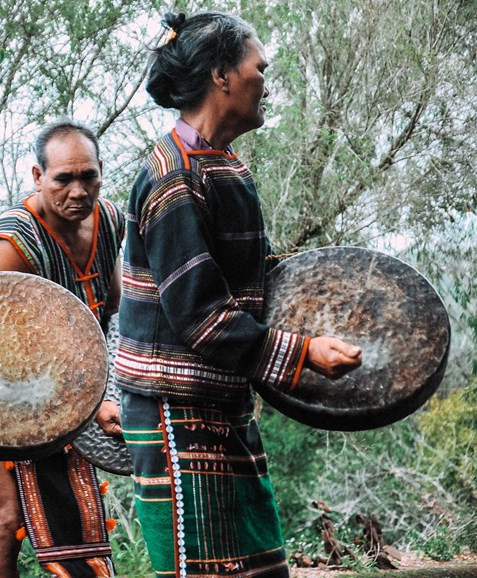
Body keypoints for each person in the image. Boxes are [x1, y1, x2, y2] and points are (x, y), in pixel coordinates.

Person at [115, 11, 364, 578]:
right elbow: (201, 317)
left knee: (255, 568)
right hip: (174, 409)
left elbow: (250, 275)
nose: (266, 81)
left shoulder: (222, 165)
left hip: (219, 402)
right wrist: (303, 354)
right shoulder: (175, 177)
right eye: (260, 68)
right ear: (222, 75)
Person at [0, 119, 124, 577]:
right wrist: (91, 402)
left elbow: (111, 313)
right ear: (38, 177)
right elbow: (2, 354)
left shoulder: (109, 220)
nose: (78, 191)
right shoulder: (12, 246)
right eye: (63, 179)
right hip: (1, 396)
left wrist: (111, 392)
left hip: (75, 392)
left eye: (89, 176)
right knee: (6, 525)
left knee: (75, 522)